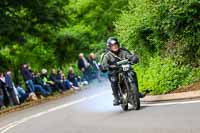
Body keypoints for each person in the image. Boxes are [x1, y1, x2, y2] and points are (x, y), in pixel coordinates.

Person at [100, 37, 145, 106]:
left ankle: (137, 92)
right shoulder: (107, 55)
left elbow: (130, 56)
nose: (115, 46)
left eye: (115, 44)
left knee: (133, 73)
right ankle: (116, 97)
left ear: (118, 44)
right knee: (114, 79)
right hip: (114, 72)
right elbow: (103, 64)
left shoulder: (123, 51)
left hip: (125, 69)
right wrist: (105, 66)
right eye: (112, 45)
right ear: (109, 47)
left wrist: (134, 58)